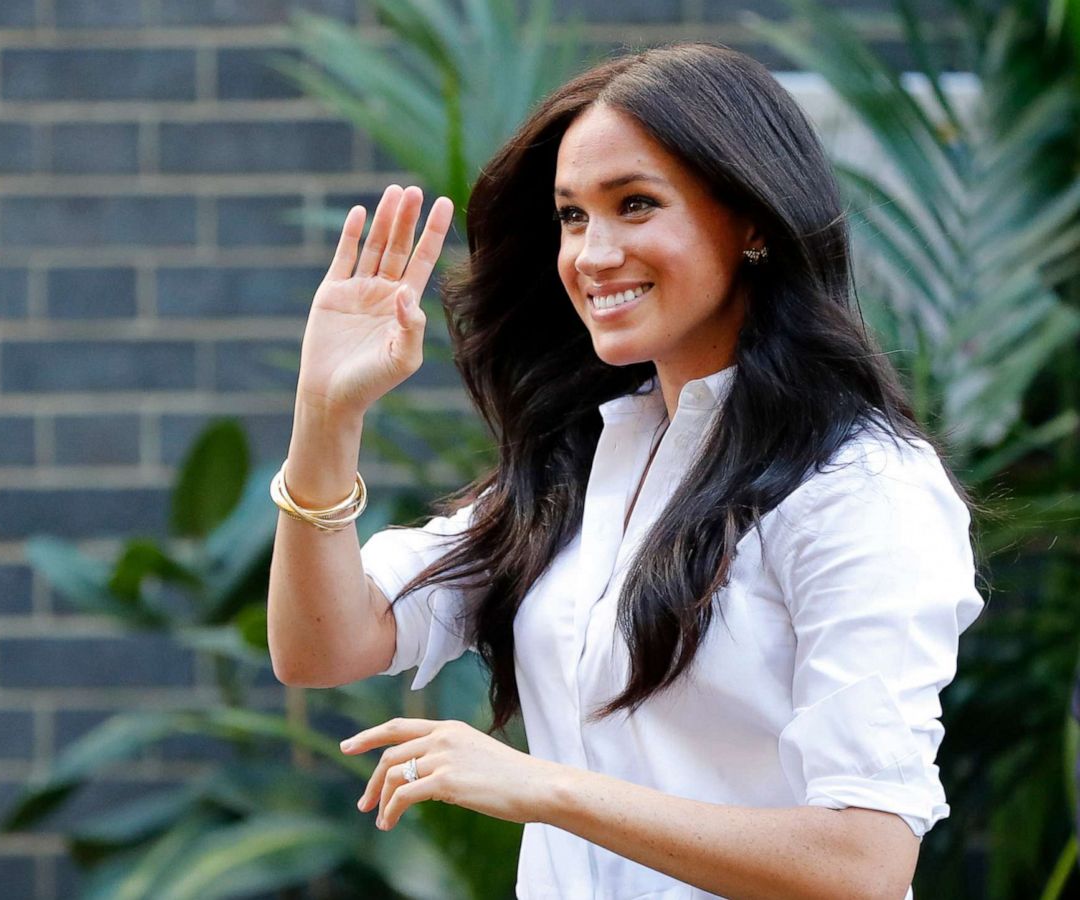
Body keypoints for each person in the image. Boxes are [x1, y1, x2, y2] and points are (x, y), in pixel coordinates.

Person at [266, 42, 985, 899]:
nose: (592, 254)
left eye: (634, 205)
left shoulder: (862, 489)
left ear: (752, 221)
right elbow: (323, 646)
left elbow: (862, 864)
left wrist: (550, 789)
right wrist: (325, 417)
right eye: (572, 216)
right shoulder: (586, 460)